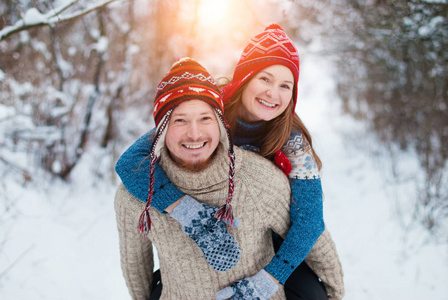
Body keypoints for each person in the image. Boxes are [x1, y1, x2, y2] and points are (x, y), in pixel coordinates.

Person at [116, 25, 344, 299]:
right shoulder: (207, 108)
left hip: (279, 238)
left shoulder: (293, 142)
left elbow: (310, 222)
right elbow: (131, 161)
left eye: (286, 86)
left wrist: (268, 280)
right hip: (209, 220)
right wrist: (185, 209)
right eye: (265, 79)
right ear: (246, 77)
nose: (273, 93)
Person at [115, 57, 293, 299]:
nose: (195, 133)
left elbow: (311, 232)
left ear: (219, 124)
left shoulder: (266, 172)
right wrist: (184, 209)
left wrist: (270, 280)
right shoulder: (134, 193)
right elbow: (135, 267)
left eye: (205, 118)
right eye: (180, 120)